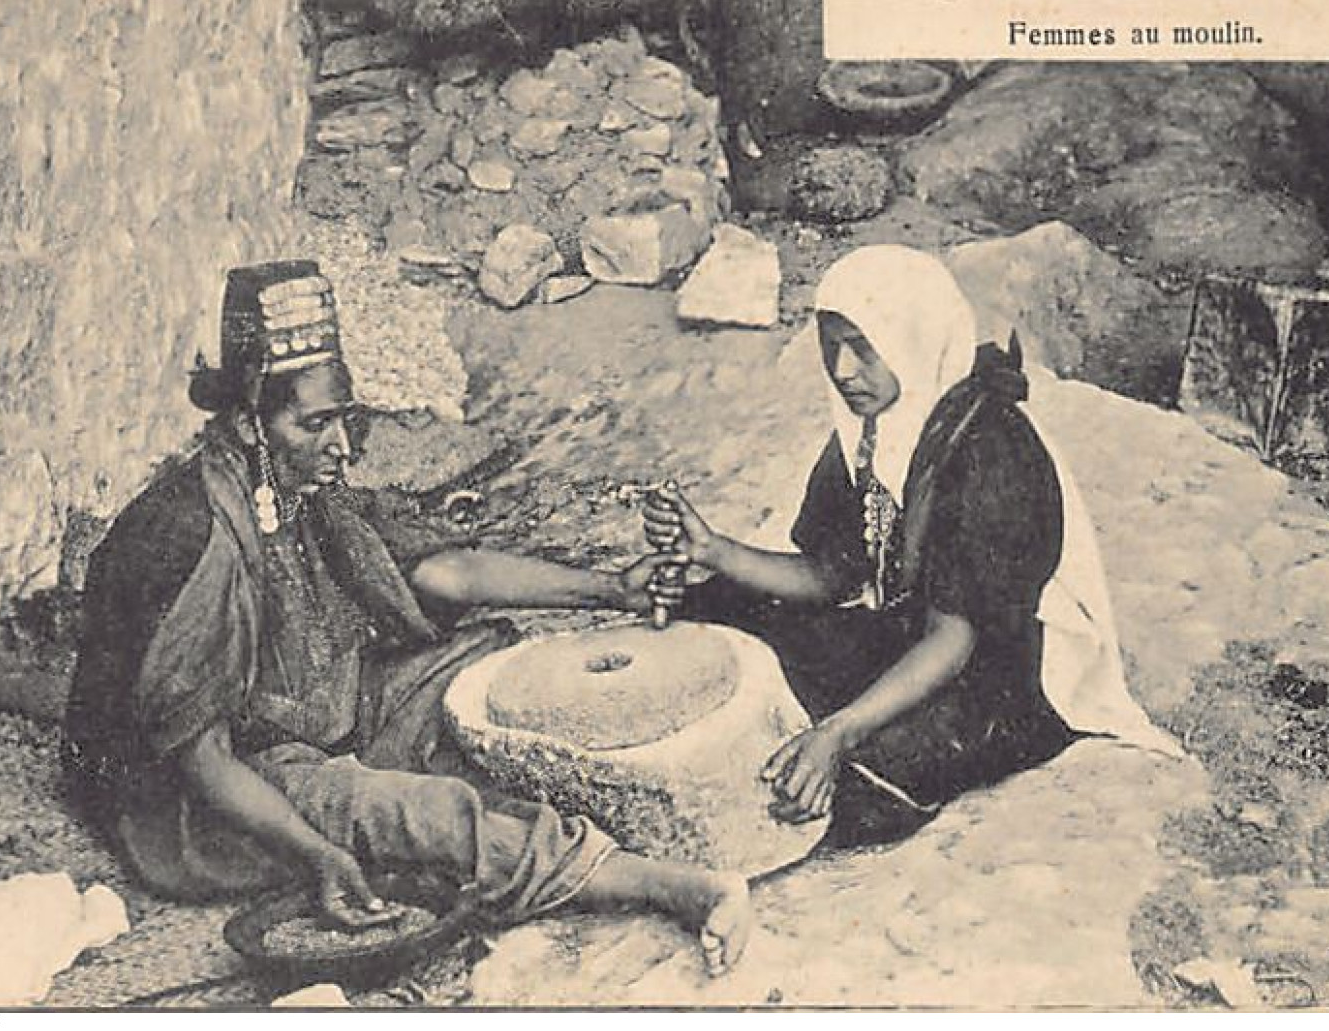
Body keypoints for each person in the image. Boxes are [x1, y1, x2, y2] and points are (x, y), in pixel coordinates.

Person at [62, 260, 748, 974]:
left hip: (320, 714)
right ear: (247, 422)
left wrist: (615, 590)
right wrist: (319, 853)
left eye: (345, 419)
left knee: (487, 665)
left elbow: (450, 569)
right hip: (211, 795)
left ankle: (579, 825)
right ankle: (679, 887)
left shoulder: (299, 485)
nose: (342, 444)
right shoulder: (186, 534)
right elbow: (202, 761)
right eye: (316, 423)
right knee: (409, 812)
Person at [644, 245, 1181, 846]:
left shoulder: (987, 447)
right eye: (832, 344)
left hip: (1004, 669)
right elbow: (832, 576)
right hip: (912, 630)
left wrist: (840, 732)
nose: (844, 369)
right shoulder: (869, 429)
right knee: (720, 600)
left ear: (911, 337)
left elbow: (956, 638)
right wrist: (715, 552)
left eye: (863, 346)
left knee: (858, 785)